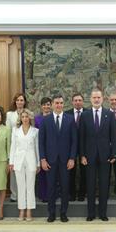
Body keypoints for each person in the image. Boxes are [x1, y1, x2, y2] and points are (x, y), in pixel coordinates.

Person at [80, 88, 116, 221]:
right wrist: (82, 155)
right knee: (90, 185)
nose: (96, 100)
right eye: (94, 97)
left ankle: (102, 213)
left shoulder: (109, 114)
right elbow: (81, 137)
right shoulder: (85, 115)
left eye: (98, 98)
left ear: (103, 99)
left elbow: (113, 136)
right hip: (89, 156)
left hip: (105, 156)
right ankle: (90, 213)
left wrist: (114, 154)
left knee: (104, 185)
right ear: (90, 99)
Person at [39, 95, 77, 223]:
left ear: (63, 104)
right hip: (50, 160)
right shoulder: (46, 120)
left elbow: (74, 141)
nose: (59, 105)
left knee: (65, 187)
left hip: (66, 161)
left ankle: (63, 213)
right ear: (52, 104)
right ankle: (51, 213)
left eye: (61, 103)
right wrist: (43, 159)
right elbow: (41, 142)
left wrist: (72, 158)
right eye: (56, 103)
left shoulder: (70, 120)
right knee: (51, 188)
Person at [9, 109, 40, 221]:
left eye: (27, 117)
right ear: (20, 118)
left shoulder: (35, 131)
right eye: (23, 117)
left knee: (30, 187)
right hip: (18, 161)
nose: (25, 119)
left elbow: (37, 148)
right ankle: (21, 210)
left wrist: (38, 163)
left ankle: (29, 211)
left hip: (31, 160)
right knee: (20, 187)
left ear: (30, 118)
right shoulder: (15, 130)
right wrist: (11, 162)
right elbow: (13, 147)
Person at [6, 93, 28, 203]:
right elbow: (8, 132)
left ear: (24, 102)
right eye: (18, 100)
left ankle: (24, 194)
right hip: (14, 147)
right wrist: (9, 150)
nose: (20, 102)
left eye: (22, 100)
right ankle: (14, 195)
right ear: (15, 102)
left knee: (25, 172)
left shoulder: (28, 113)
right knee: (14, 172)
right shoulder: (10, 114)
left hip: (26, 147)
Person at [65, 93, 87, 202]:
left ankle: (82, 194)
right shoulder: (66, 114)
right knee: (71, 171)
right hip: (70, 147)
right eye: (75, 100)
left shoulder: (88, 113)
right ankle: (71, 194)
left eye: (79, 100)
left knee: (84, 172)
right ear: (72, 102)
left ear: (83, 101)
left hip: (85, 147)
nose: (77, 102)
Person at [34, 97, 52, 203]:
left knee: (53, 173)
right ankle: (44, 195)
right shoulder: (37, 119)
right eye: (44, 105)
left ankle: (52, 194)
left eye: (48, 104)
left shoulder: (54, 117)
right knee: (43, 173)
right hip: (41, 147)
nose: (46, 107)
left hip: (53, 148)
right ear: (41, 106)